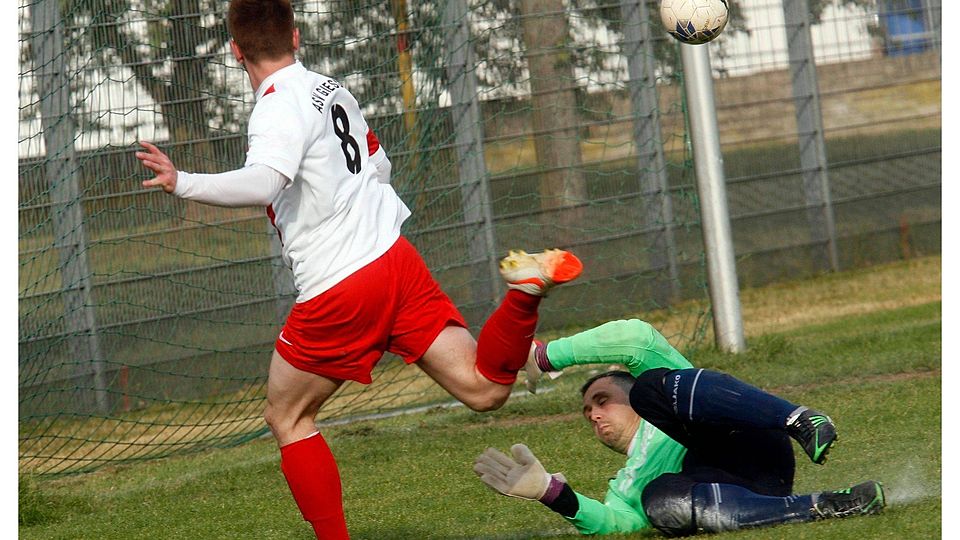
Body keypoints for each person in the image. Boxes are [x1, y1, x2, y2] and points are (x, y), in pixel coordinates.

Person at [134, 1, 582, 538]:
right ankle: (525, 296)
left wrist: (183, 181)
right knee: (485, 389)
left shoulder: (276, 105)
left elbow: (264, 182)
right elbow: (378, 161)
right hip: (396, 259)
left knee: (288, 418)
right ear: (295, 36)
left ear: (236, 51)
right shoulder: (329, 87)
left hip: (340, 282)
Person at [474, 319, 885, 536]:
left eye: (602, 400)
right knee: (659, 501)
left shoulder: (672, 392)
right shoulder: (629, 480)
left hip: (754, 441)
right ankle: (826, 505)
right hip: (739, 494)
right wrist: (551, 493)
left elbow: (633, 338)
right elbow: (620, 524)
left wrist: (546, 356)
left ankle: (800, 419)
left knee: (654, 388)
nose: (594, 414)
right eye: (587, 412)